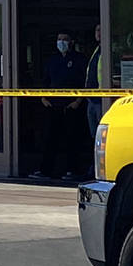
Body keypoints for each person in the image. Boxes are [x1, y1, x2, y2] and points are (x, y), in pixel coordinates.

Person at [32, 30, 86, 180]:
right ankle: (45, 171)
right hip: (53, 106)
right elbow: (45, 80)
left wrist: (77, 101)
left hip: (71, 106)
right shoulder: (52, 60)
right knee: (50, 139)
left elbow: (85, 83)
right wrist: (43, 98)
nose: (61, 42)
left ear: (71, 42)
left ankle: (72, 171)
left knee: (72, 139)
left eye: (64, 39)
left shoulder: (79, 59)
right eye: (59, 39)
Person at [76, 23, 103, 178]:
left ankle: (98, 169)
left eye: (101, 30)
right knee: (94, 137)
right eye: (96, 30)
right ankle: (94, 167)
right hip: (92, 101)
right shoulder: (96, 51)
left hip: (102, 100)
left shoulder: (108, 49)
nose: (98, 33)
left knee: (101, 138)